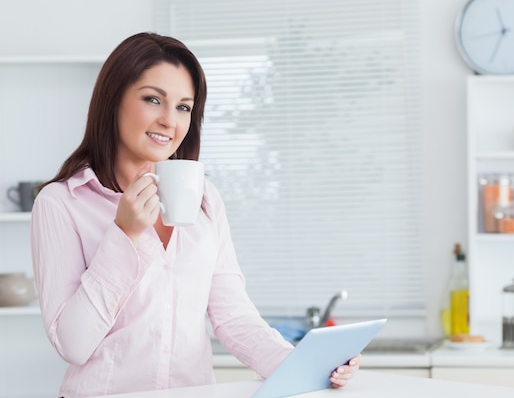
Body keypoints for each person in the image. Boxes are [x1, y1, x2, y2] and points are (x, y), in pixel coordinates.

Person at [30, 32, 361, 398]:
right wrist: (124, 235)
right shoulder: (61, 202)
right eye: (153, 99)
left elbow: (234, 318)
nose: (169, 121)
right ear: (113, 101)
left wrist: (308, 366)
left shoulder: (205, 200)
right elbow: (72, 344)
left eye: (183, 107)